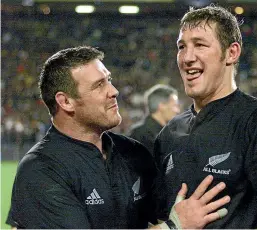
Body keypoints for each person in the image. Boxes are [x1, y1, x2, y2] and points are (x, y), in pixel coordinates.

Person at [6, 46, 231, 229]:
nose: (113, 91)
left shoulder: (133, 153)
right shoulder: (41, 170)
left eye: (109, 80)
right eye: (99, 85)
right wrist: (172, 227)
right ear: (66, 102)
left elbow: (171, 208)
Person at [153, 5, 257, 228]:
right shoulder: (169, 133)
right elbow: (159, 218)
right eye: (182, 47)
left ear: (232, 53)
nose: (187, 57)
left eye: (200, 45)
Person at [129, 84, 180, 154]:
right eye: (175, 106)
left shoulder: (170, 132)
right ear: (162, 106)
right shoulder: (140, 135)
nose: (177, 111)